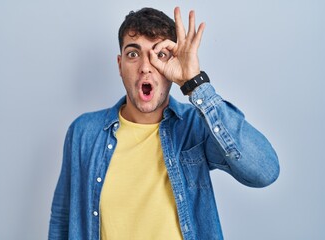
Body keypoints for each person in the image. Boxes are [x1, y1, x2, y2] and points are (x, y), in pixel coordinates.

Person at [48, 6, 280, 240]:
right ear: (120, 65)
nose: (146, 67)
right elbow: (62, 217)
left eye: (160, 55)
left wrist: (195, 84)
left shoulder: (194, 127)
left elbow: (265, 171)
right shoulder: (83, 132)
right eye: (133, 54)